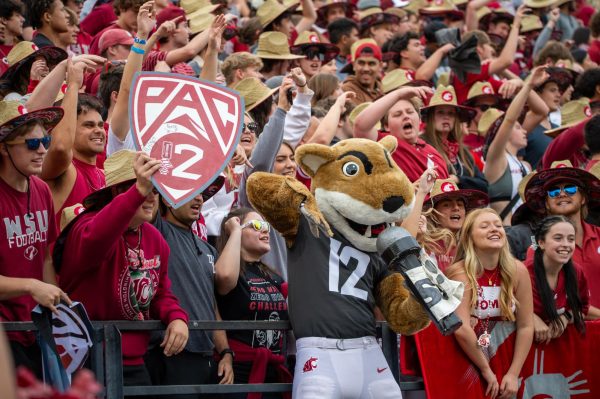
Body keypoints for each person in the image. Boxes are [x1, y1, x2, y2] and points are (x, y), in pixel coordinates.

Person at [56, 150, 189, 388]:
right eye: (145, 188)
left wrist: (177, 317)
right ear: (118, 192)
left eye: (155, 191)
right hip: (87, 359)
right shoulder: (85, 226)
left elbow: (159, 293)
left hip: (134, 361)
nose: (151, 197)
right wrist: (137, 191)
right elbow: (97, 239)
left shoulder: (155, 238)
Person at [146, 178, 235, 398]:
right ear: (167, 198)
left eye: (202, 194)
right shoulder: (157, 231)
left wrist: (225, 352)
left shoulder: (207, 249)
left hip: (206, 357)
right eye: (190, 193)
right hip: (171, 353)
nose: (199, 199)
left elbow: (211, 306)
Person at [0, 100, 70, 377]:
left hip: (36, 329)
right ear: (4, 148)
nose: (42, 150)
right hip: (5, 335)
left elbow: (45, 257)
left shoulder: (41, 189)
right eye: (31, 144)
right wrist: (31, 286)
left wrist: (53, 304)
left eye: (45, 140)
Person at [447, 208, 533, 399]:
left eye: (498, 225)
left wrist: (513, 373)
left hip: (509, 356)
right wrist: (486, 369)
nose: (494, 229)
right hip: (471, 357)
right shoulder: (459, 273)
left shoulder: (518, 270)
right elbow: (461, 328)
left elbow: (526, 325)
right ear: (469, 237)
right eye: (485, 226)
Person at [215, 208, 291, 396]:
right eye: (257, 226)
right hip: (237, 371)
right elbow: (224, 276)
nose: (265, 230)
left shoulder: (274, 277)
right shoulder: (231, 271)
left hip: (272, 372)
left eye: (266, 226)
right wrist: (234, 231)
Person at [523, 160, 600, 307]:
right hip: (568, 327)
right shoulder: (538, 248)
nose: (562, 194)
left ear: (583, 198)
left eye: (570, 189)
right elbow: (543, 299)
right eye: (554, 191)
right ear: (546, 203)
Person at [526, 216, 600, 345]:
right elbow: (506, 305)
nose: (566, 244)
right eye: (558, 238)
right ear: (541, 242)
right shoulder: (523, 272)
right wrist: (531, 318)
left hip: (557, 348)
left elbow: (582, 308)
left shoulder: (577, 272)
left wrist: (565, 317)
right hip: (520, 346)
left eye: (571, 239)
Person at [353, 85, 450, 183]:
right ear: (386, 126)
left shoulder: (433, 151)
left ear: (419, 119)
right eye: (398, 114)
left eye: (410, 112)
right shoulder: (383, 145)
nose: (406, 116)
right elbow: (360, 126)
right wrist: (399, 94)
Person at [421, 85, 487, 192]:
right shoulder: (421, 146)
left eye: (451, 113)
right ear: (430, 117)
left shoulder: (463, 151)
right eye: (440, 112)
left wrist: (458, 179)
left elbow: (484, 185)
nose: (446, 117)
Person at [425, 178, 489, 272]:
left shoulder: (473, 244)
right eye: (446, 205)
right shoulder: (424, 244)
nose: (456, 208)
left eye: (460, 204)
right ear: (433, 212)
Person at [341, 38, 384, 105]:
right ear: (354, 65)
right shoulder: (347, 90)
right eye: (361, 63)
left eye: (371, 63)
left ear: (380, 66)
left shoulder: (382, 88)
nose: (366, 69)